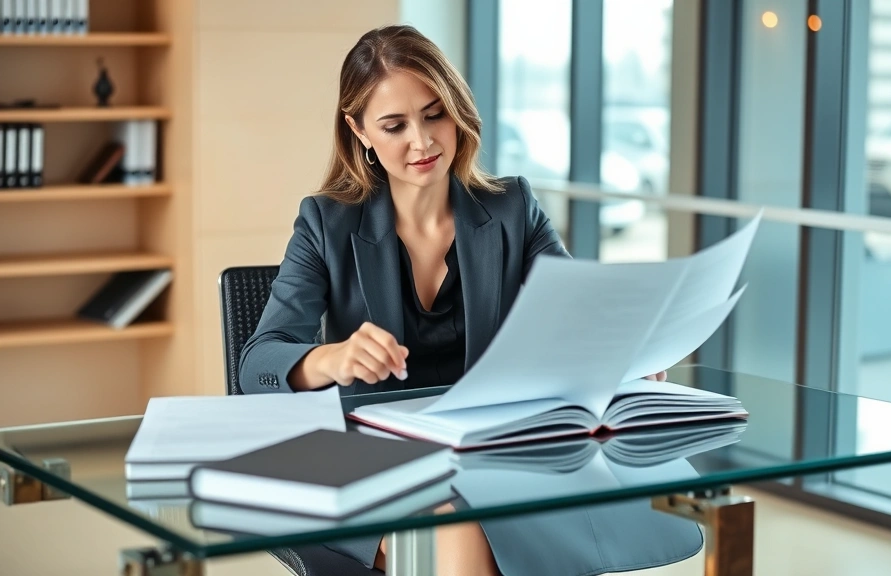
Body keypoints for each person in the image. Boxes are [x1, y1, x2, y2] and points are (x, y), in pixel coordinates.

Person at [238, 24, 702, 576]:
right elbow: (257, 362)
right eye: (395, 125)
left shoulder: (512, 208)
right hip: (373, 456)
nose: (423, 141)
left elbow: (579, 317)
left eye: (435, 114)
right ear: (358, 130)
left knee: (524, 520)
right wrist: (328, 358)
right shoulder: (326, 222)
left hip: (489, 452)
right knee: (457, 531)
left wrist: (627, 349)